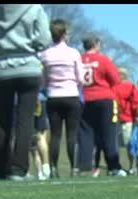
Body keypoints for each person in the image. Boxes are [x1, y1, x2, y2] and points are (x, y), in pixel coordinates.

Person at [0, 4, 52, 180]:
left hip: (1, 68)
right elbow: (44, 39)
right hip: (29, 67)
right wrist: (28, 44)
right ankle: (19, 168)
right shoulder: (33, 7)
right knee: (25, 120)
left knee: (2, 121)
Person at [41, 18, 85, 179]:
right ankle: (74, 168)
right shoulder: (73, 53)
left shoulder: (45, 54)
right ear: (65, 34)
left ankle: (54, 168)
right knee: (72, 134)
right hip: (71, 95)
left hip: (53, 96)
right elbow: (80, 78)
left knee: (55, 135)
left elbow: (43, 80)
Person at [78, 34, 125, 177]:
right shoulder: (103, 59)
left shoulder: (78, 59)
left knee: (86, 134)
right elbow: (116, 79)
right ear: (96, 44)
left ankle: (85, 167)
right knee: (109, 133)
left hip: (84, 99)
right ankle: (113, 166)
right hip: (104, 99)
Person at [113, 68, 138, 175]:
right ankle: (132, 166)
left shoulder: (115, 88)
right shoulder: (130, 87)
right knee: (130, 145)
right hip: (127, 119)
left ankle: (122, 167)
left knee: (120, 145)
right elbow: (136, 103)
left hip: (119, 119)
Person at [30, 88, 51, 181]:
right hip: (40, 98)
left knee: (34, 138)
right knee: (40, 136)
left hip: (25, 101)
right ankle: (45, 167)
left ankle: (41, 171)